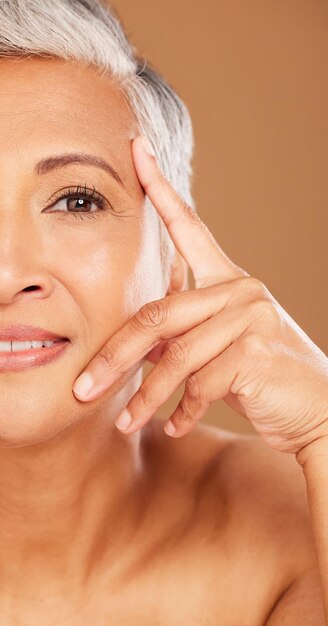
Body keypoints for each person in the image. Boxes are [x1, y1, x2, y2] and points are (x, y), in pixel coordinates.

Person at [0, 0, 327, 623]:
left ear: (171, 259)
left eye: (75, 201)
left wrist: (324, 425)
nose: (7, 275)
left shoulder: (299, 526)